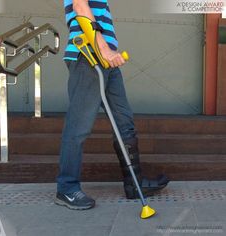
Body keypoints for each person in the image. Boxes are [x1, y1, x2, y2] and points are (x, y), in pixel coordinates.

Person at [55, 0, 169, 210]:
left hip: (106, 61)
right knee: (78, 127)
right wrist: (104, 48)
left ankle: (134, 184)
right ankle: (67, 188)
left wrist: (108, 53)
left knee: (124, 121)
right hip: (87, 56)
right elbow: (80, 7)